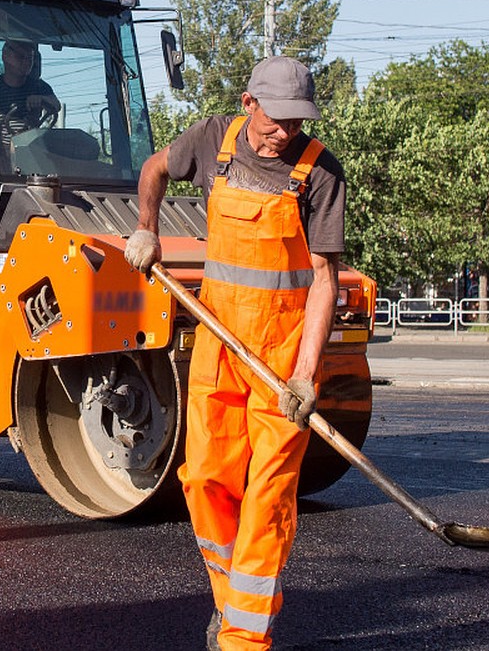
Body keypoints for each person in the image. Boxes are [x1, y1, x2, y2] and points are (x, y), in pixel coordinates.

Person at [124, 55, 344, 651]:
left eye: (297, 123)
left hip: (282, 360)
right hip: (219, 345)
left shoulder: (320, 172)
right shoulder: (210, 140)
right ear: (249, 104)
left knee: (269, 494)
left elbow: (325, 280)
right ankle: (232, 607)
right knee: (206, 480)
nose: (285, 133)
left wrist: (304, 376)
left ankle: (245, 640)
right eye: (276, 121)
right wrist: (146, 228)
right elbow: (152, 169)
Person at [0, 39, 60, 167]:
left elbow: (56, 105)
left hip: (31, 151)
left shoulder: (39, 87)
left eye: (30, 58)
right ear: (5, 56)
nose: (26, 62)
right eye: (21, 57)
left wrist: (42, 99)